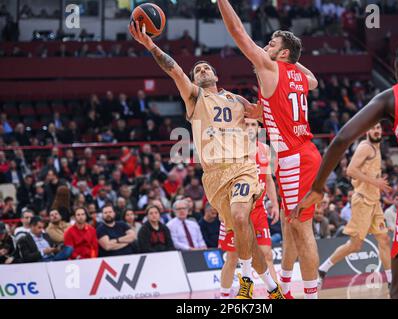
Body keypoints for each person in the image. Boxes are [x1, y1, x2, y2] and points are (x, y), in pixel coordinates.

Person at [129, 21, 284, 299]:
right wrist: (151, 45)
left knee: (239, 215)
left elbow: (263, 112)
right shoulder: (194, 96)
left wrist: (267, 73)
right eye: (197, 69)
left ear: (215, 74)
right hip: (213, 176)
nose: (202, 70)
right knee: (243, 228)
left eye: (206, 68)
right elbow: (174, 69)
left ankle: (245, 281)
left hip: (242, 167)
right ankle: (272, 289)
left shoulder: (235, 100)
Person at [296, 42, 398, 299]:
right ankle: (326, 268)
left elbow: (342, 138)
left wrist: (317, 187)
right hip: (365, 199)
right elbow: (353, 169)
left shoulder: (391, 95)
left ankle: (327, 269)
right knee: (362, 242)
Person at [218, 0, 320, 299]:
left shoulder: (269, 67)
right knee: (291, 224)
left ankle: (311, 296)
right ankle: (286, 290)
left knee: (302, 229)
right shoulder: (301, 76)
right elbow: (312, 83)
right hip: (305, 152)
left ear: (282, 53)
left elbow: (237, 31)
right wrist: (250, 109)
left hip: (293, 157)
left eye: (272, 43)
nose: (265, 46)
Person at [317, 123, 393, 288]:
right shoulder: (365, 147)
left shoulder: (377, 147)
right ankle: (323, 268)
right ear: (367, 131)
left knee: (384, 239)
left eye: (379, 128)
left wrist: (377, 185)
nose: (376, 130)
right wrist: (376, 182)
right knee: (355, 245)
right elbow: (350, 170)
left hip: (374, 202)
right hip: (362, 201)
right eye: (373, 128)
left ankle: (391, 281)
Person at [218, 117, 281, 299]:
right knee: (232, 257)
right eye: (246, 124)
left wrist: (275, 203)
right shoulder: (231, 149)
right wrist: (222, 209)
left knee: (267, 254)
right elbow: (222, 182)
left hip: (258, 209)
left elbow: (268, 179)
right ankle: (225, 297)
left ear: (259, 128)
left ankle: (274, 295)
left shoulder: (266, 150)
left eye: (254, 124)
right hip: (235, 208)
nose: (250, 127)